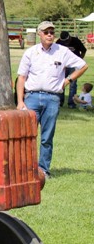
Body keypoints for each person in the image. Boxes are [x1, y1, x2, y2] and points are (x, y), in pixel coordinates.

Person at [16, 21, 88, 178]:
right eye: (46, 32)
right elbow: (21, 77)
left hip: (52, 98)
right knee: (27, 136)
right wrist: (20, 102)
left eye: (52, 32)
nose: (50, 35)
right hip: (32, 97)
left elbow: (83, 65)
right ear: (39, 34)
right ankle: (26, 170)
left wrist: (68, 80)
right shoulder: (30, 52)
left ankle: (43, 171)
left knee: (47, 137)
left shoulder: (62, 51)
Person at [56, 30, 87, 106]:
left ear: (69, 37)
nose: (66, 43)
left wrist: (80, 60)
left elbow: (83, 50)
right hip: (63, 66)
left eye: (67, 41)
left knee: (73, 84)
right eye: (64, 41)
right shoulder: (58, 42)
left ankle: (71, 103)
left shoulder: (76, 41)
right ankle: (60, 102)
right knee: (61, 83)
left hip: (73, 66)